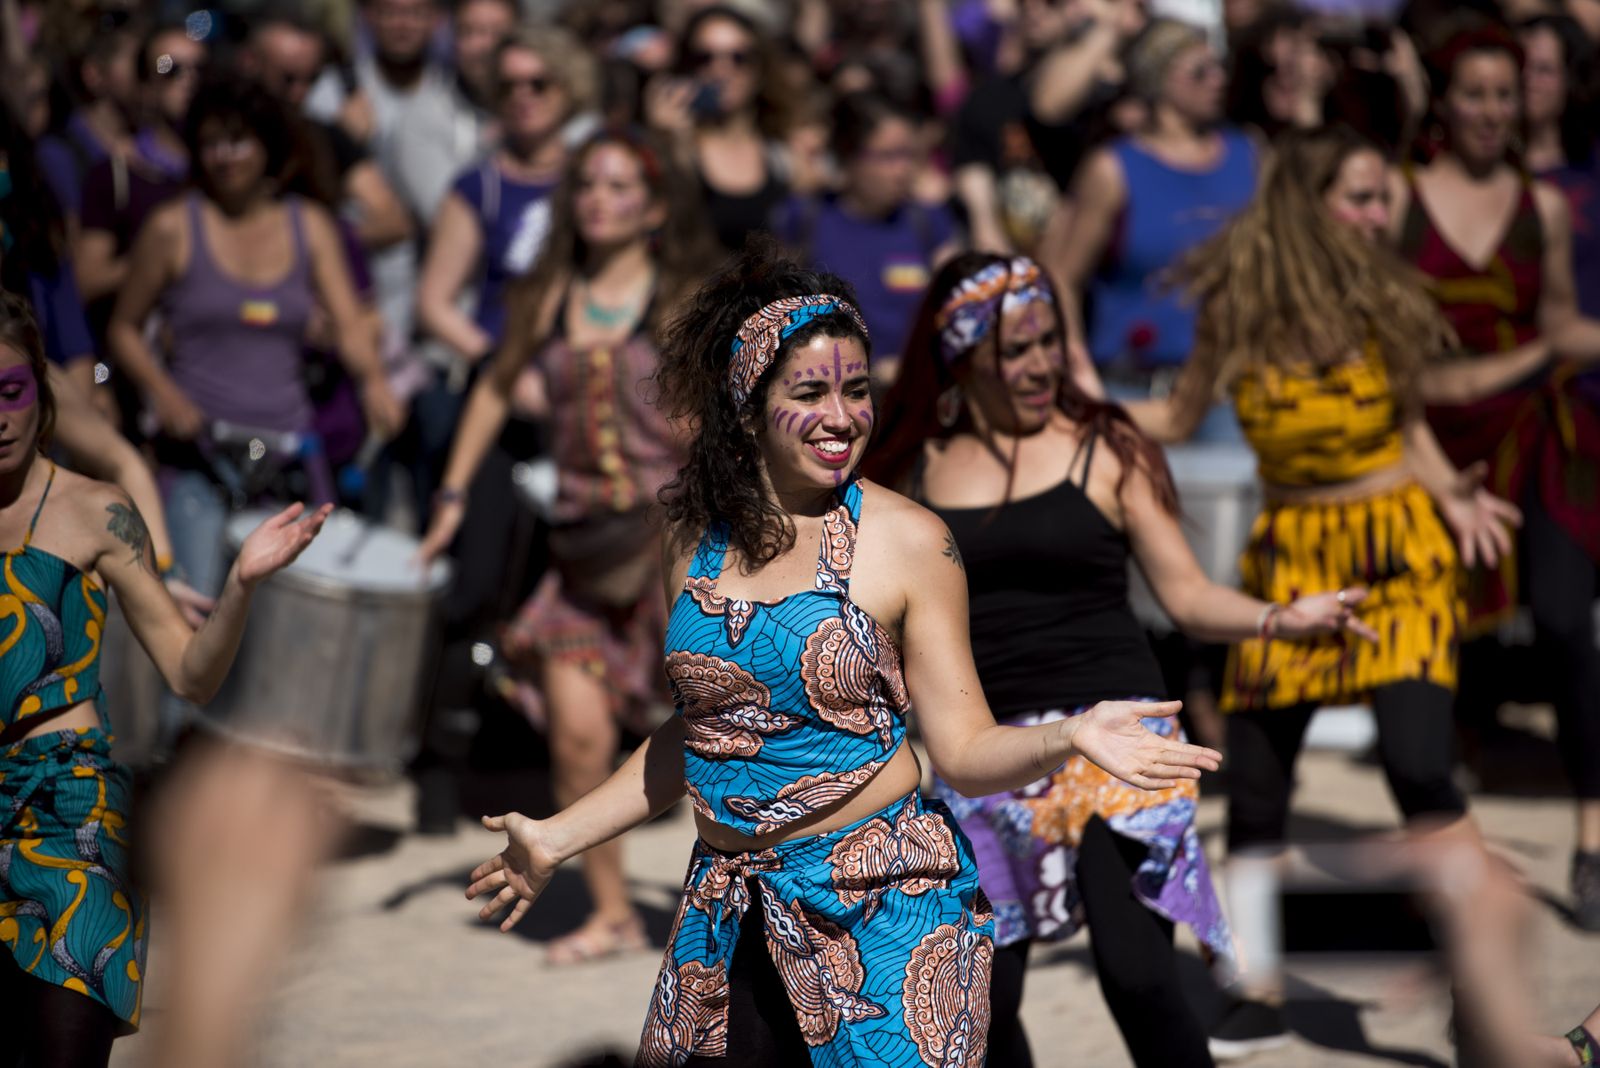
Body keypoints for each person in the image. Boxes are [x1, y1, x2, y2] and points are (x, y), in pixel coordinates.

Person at [464, 242, 1223, 1063]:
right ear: (746, 404)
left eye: (857, 390)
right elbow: (704, 733)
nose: (843, 416)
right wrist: (555, 837)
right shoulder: (689, 537)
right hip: (727, 914)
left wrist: (1070, 737)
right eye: (810, 391)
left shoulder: (909, 542)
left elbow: (963, 750)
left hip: (883, 915)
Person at [865, 252, 1371, 1066]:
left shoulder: (1105, 445)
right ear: (965, 360)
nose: (1041, 365)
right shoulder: (914, 470)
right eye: (1016, 351)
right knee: (980, 1005)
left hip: (1121, 728)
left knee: (1137, 975)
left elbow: (1188, 595)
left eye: (1050, 343)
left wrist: (1282, 617)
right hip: (991, 748)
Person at [1129, 124, 1531, 1061]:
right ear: (1307, 207)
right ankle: (1257, 980)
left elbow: (1410, 424)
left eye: (1382, 196)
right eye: (1357, 196)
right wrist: (1079, 410)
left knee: (1420, 765)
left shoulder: (1384, 296)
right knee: (1258, 785)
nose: (1376, 214)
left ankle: (1476, 980)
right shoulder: (1242, 305)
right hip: (1293, 561)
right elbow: (1182, 415)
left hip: (1398, 554)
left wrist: (1451, 495)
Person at [0, 290, 332, 1068]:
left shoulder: (93, 511)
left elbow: (190, 674)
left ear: (40, 391)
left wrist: (243, 581)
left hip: (71, 811)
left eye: (10, 391)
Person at [420, 126, 715, 955]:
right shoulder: (548, 297)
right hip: (581, 548)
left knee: (722, 724)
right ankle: (613, 912)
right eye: (588, 185)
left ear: (654, 207)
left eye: (621, 187)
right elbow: (490, 392)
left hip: (674, 543)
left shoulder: (680, 297)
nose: (599, 201)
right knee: (578, 739)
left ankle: (747, 904)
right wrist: (449, 495)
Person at [1390, 21, 1600, 931]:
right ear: (1442, 101)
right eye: (1472, 93)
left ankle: (1593, 836)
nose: (1489, 111)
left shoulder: (1542, 207)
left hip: (1533, 433)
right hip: (1430, 438)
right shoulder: (1397, 201)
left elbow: (1557, 324)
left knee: (1564, 617)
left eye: (1503, 95)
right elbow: (1386, 351)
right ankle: (1448, 837)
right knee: (1435, 638)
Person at [106, 75, 402, 601]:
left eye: (239, 140)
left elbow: (351, 325)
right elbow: (123, 329)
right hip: (199, 456)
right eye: (212, 142)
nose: (225, 156)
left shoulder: (309, 225)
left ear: (268, 146)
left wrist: (375, 381)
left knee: (286, 631)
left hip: (286, 458)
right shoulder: (173, 226)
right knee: (194, 619)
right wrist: (163, 392)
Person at [1049, 17, 1258, 436]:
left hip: (1231, 389)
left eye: (1219, 67)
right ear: (1158, 79)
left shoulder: (1248, 154)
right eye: (1199, 70)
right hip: (1135, 389)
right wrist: (1077, 369)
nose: (1217, 80)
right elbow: (1062, 274)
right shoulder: (1114, 168)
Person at [772, 92, 960, 383]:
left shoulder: (929, 221)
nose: (903, 170)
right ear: (849, 155)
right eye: (889, 156)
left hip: (914, 392)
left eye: (909, 155)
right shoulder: (804, 218)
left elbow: (958, 312)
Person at [645, 5, 803, 255]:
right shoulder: (671, 145)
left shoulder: (782, 154)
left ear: (760, 68)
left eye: (739, 57)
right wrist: (665, 147)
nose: (721, 70)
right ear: (686, 66)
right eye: (704, 57)